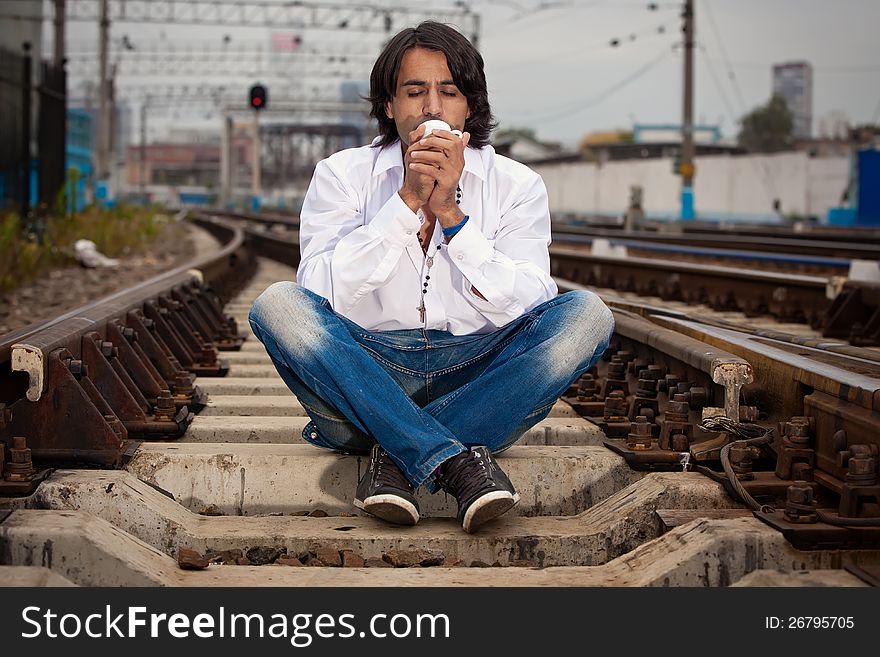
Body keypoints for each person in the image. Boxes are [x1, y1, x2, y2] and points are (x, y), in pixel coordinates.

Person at [248, 21, 614, 533]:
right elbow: (317, 293)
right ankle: (455, 459)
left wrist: (451, 216)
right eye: (414, 91)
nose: (432, 107)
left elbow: (530, 306)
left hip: (476, 375)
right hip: (368, 373)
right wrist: (407, 203)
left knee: (586, 315)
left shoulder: (517, 185)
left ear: (471, 106)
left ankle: (399, 456)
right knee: (277, 304)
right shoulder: (341, 176)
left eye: (449, 91)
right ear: (389, 105)